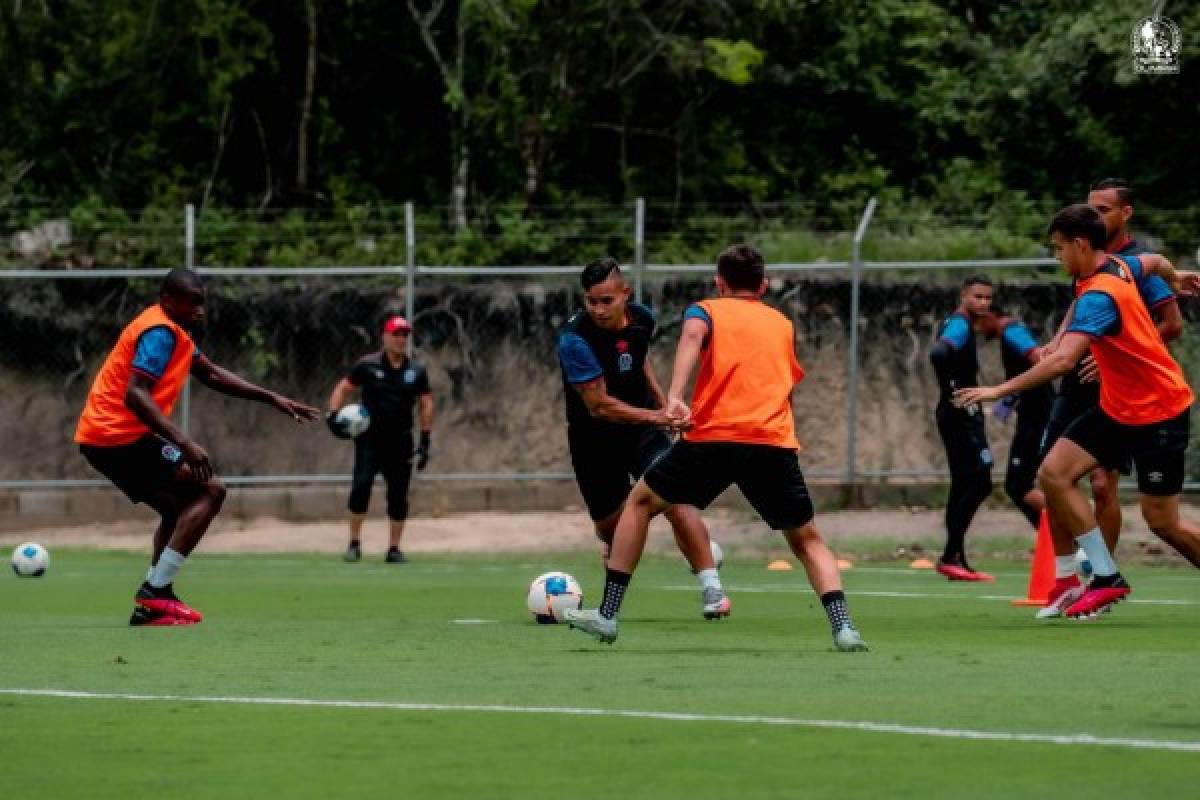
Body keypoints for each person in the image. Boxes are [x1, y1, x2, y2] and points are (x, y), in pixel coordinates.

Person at [565, 244, 867, 651]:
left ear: (719, 282)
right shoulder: (781, 323)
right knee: (807, 539)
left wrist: (674, 396)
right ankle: (844, 628)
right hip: (771, 441)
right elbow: (786, 384)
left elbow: (691, 338)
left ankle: (608, 615)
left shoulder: (704, 310)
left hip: (714, 437)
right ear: (762, 285)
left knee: (640, 503)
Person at [954, 204, 1199, 619]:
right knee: (1053, 473)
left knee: (1163, 522)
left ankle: (1100, 577)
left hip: (1160, 410)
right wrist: (1176, 277)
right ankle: (1098, 577)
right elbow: (1154, 262)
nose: (1057, 257)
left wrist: (999, 389)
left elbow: (1063, 363)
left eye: (1059, 248)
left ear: (1081, 245)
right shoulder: (1119, 266)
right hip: (1120, 409)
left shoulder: (1101, 295)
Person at [75, 268, 319, 626]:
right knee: (211, 490)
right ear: (168, 300)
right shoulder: (159, 332)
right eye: (193, 302)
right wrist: (184, 443)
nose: (200, 310)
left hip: (109, 436)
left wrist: (272, 398)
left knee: (180, 508)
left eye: (202, 302)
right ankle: (155, 592)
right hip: (117, 436)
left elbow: (212, 374)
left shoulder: (173, 331)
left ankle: (151, 604)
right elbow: (136, 393)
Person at [558, 257, 729, 619]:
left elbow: (639, 359)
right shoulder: (575, 341)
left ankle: (712, 587)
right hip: (595, 441)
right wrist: (659, 414)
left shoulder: (643, 319)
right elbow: (599, 405)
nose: (599, 310)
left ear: (625, 293)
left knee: (674, 493)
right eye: (592, 301)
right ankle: (627, 539)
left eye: (607, 300)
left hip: (642, 433)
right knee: (610, 528)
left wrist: (662, 400)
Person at [1039, 178, 1183, 555]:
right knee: (1054, 475)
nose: (1094, 215)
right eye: (1091, 208)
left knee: (1108, 489)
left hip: (1124, 392)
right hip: (1079, 384)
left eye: (1103, 210)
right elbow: (1081, 304)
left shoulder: (1128, 263)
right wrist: (1057, 339)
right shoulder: (1084, 257)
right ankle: (1070, 580)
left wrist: (1115, 358)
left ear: (1125, 214)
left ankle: (1100, 572)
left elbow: (1171, 324)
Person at [327, 315, 433, 564]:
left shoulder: (416, 371)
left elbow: (426, 404)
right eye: (395, 334)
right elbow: (344, 387)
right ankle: (354, 543)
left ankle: (394, 548)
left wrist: (425, 442)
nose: (400, 339)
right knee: (360, 487)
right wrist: (333, 415)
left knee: (398, 496)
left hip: (401, 442)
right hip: (369, 441)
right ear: (385, 337)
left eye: (404, 335)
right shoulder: (367, 365)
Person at [929, 276, 996, 581]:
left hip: (958, 413)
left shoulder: (964, 325)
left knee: (962, 484)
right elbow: (939, 353)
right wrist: (954, 389)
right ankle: (950, 554)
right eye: (978, 297)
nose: (983, 303)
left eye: (987, 298)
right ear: (963, 296)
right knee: (980, 480)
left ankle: (954, 556)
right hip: (960, 414)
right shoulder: (959, 324)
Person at [977, 311, 1052, 529]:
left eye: (980, 321)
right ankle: (1057, 542)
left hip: (1038, 419)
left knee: (1018, 485)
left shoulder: (1013, 333)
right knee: (1020, 485)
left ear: (991, 316)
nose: (978, 329)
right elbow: (1022, 377)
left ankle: (1079, 528)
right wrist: (1003, 407)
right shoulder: (1009, 335)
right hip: (1034, 417)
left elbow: (1039, 359)